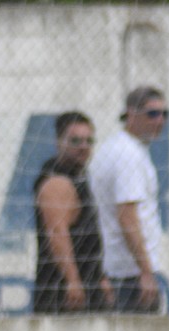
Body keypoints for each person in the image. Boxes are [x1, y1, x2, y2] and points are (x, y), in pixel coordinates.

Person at [87, 86, 168, 313]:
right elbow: (127, 216)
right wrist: (145, 272)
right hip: (131, 274)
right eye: (152, 113)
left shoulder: (117, 147)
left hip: (122, 271)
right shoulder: (128, 155)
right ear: (131, 114)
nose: (160, 120)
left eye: (164, 114)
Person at [32, 110, 111, 314]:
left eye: (88, 141)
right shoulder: (56, 182)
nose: (83, 147)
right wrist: (72, 281)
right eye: (75, 141)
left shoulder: (80, 178)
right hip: (62, 293)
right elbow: (57, 233)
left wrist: (100, 277)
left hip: (88, 286)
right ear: (59, 142)